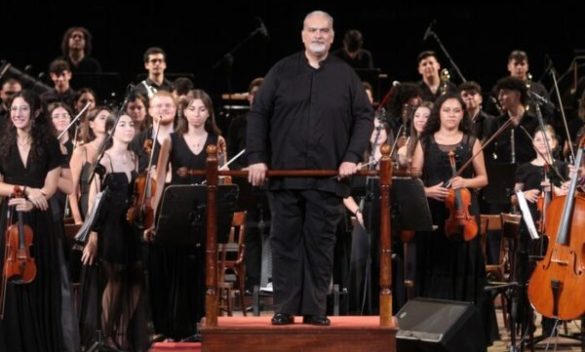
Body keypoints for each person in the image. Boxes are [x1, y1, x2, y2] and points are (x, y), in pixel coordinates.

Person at [246, 10, 373, 326]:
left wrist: (351, 156)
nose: (318, 35)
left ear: (332, 36)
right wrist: (257, 157)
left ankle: (316, 308)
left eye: (324, 31)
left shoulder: (345, 76)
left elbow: (364, 117)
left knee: (320, 243)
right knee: (285, 241)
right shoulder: (281, 71)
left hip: (327, 178)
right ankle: (285, 307)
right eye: (312, 30)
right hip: (285, 177)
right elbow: (259, 114)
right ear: (302, 35)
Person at [411, 93, 493, 348]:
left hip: (463, 215)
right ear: (439, 113)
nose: (451, 114)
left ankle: (466, 336)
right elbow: (413, 179)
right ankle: (432, 333)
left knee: (464, 268)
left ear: (462, 115)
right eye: (447, 110)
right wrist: (427, 190)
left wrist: (465, 181)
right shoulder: (425, 142)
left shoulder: (472, 141)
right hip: (435, 216)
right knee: (435, 268)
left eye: (457, 110)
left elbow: (483, 179)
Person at [148, 89, 223, 340]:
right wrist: (153, 217)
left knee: (201, 267)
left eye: (202, 109)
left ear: (209, 112)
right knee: (176, 267)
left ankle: (199, 324)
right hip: (176, 210)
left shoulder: (217, 140)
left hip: (205, 212)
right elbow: (159, 179)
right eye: (192, 109)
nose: (197, 114)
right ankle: (175, 328)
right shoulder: (171, 140)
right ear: (184, 112)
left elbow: (223, 176)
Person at [0, 90, 68, 351]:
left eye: (24, 109)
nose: (17, 114)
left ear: (36, 112)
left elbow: (51, 187)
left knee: (41, 282)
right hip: (10, 219)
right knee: (11, 283)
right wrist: (25, 191)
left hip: (39, 220)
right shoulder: (3, 142)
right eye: (14, 109)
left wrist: (34, 200)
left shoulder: (49, 142)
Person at [79, 113, 150, 351]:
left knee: (136, 279)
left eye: (132, 124)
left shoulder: (135, 157)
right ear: (112, 130)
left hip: (130, 225)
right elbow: (93, 202)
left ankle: (121, 333)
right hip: (110, 226)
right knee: (116, 279)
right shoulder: (104, 160)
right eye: (123, 124)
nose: (129, 128)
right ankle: (107, 335)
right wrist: (93, 235)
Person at [510, 124, 569, 338]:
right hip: (531, 227)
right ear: (533, 143)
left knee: (554, 276)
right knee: (526, 275)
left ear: (554, 144)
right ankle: (526, 324)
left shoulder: (560, 168)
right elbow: (513, 198)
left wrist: (557, 190)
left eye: (547, 140)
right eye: (538, 139)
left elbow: (569, 196)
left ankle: (550, 321)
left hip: (555, 229)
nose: (542, 143)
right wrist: (522, 196)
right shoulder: (525, 169)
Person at [68, 107, 110, 225]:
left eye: (109, 119)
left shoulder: (114, 149)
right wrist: (77, 219)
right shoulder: (81, 151)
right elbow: (72, 191)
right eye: (102, 118)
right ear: (91, 124)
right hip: (87, 209)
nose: (107, 121)